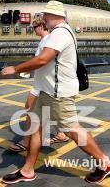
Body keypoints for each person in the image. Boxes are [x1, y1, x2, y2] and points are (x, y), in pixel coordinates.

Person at [0, 1, 110, 184]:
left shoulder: (60, 33)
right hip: (46, 92)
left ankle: (104, 163)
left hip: (58, 92)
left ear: (52, 15)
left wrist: (15, 69)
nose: (43, 19)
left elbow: (43, 60)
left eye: (45, 15)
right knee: (35, 128)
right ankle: (28, 170)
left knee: (72, 129)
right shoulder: (60, 32)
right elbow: (46, 63)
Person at [8, 15, 69, 153]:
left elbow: (42, 60)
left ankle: (26, 142)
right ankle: (61, 134)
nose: (33, 30)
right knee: (50, 111)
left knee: (30, 110)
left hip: (44, 84)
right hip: (43, 82)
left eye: (34, 27)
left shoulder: (48, 39)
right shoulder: (44, 40)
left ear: (41, 26)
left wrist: (19, 69)